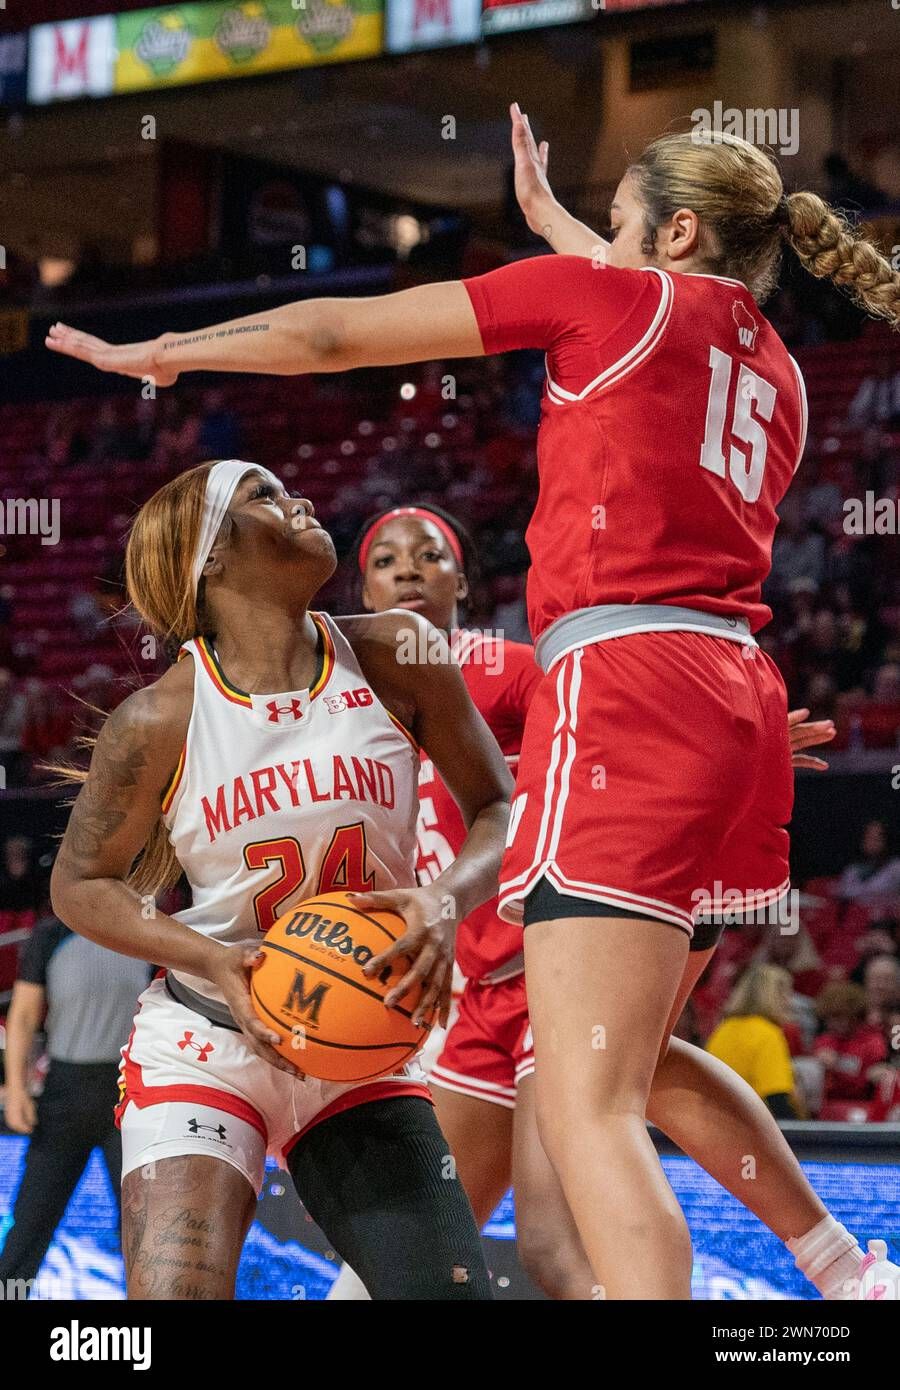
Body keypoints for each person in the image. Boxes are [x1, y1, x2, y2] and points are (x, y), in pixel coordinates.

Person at [47, 106, 900, 1300]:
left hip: (631, 684)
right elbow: (653, 300)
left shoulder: (608, 306)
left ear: (678, 229)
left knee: (595, 1101)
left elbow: (339, 329)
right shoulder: (782, 371)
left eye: (616, 227)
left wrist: (174, 348)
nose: (594, 245)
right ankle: (840, 1266)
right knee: (636, 1061)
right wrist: (564, 225)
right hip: (737, 691)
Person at [332, 503, 841, 1301]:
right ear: (360, 588)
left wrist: (727, 736)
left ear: (461, 580)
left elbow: (629, 723)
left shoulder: (507, 667)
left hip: (553, 972)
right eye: (386, 560)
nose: (406, 570)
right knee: (386, 1277)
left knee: (554, 1241)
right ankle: (841, 1266)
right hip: (464, 1009)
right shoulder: (339, 709)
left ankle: (838, 1266)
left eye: (429, 556)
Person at [49, 460, 513, 1300]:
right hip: (210, 1039)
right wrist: (211, 955)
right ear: (209, 558)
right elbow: (81, 886)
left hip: (362, 1041)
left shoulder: (395, 654)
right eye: (263, 495)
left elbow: (497, 807)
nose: (299, 498)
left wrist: (446, 900)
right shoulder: (159, 716)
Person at [0, 913, 150, 1290]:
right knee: (30, 1224)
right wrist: (16, 1089)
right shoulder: (52, 934)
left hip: (129, 1096)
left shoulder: (144, 931)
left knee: (143, 1232)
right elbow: (22, 1016)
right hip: (65, 1094)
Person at [706, 965, 801, 1118]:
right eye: (787, 994)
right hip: (749, 1126)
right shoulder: (767, 1033)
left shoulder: (723, 1030)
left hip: (715, 1120)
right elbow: (777, 1096)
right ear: (775, 996)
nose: (789, 1001)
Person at [813, 981, 888, 1108]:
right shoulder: (824, 1040)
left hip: (864, 1105)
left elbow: (869, 1078)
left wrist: (837, 1063)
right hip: (828, 1106)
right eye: (830, 1018)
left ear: (855, 1016)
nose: (833, 1023)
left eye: (840, 1017)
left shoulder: (874, 1042)